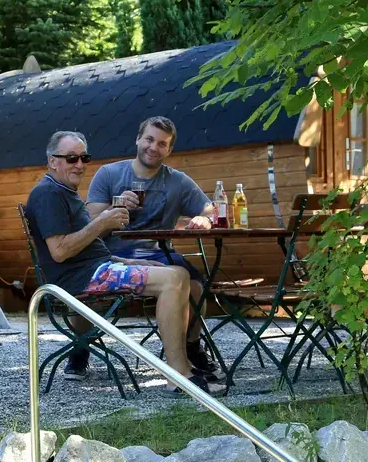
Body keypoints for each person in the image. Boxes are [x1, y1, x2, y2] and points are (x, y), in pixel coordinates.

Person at [25, 130, 225, 396]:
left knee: (177, 272)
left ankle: (185, 359)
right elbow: (60, 251)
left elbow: (91, 253)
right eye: (71, 158)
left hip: (95, 269)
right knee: (174, 279)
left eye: (84, 158)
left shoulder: (65, 191)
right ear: (53, 161)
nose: (80, 165)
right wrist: (103, 221)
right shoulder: (48, 193)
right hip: (78, 280)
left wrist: (126, 260)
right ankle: (178, 374)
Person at [84, 116, 219, 380]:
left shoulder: (177, 181)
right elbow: (91, 220)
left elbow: (210, 209)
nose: (153, 147)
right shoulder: (109, 174)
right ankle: (80, 351)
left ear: (169, 150)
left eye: (162, 143)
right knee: (84, 282)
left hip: (160, 253)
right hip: (112, 254)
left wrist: (205, 218)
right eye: (149, 139)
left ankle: (191, 347)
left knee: (196, 286)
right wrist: (116, 206)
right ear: (138, 139)